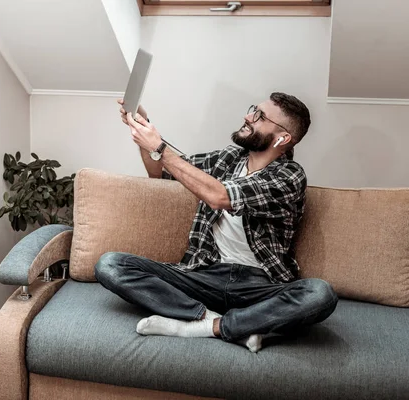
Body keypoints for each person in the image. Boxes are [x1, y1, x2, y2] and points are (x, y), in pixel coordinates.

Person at [94, 93, 338, 353]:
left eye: (260, 116)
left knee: (319, 294)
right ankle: (217, 321)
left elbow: (219, 196)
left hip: (259, 287)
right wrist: (143, 126)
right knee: (110, 264)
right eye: (253, 109)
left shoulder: (289, 176)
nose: (247, 117)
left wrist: (160, 149)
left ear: (282, 138)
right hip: (204, 275)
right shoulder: (230, 158)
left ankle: (198, 326)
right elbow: (163, 171)